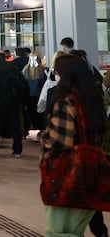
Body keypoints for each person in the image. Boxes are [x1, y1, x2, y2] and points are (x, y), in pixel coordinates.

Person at [40, 53, 106, 237]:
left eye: (57, 72)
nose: (55, 75)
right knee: (75, 230)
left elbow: (60, 140)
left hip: (66, 175)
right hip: (91, 174)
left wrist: (39, 135)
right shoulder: (93, 100)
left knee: (57, 232)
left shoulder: (65, 101)